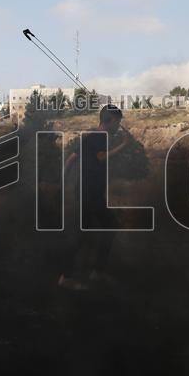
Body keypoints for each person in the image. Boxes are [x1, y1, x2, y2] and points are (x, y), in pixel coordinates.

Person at [59, 103, 129, 290]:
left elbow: (71, 159)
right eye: (118, 122)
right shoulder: (100, 137)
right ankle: (74, 276)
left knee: (87, 231)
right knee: (105, 227)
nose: (117, 126)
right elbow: (101, 157)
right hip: (90, 194)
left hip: (88, 192)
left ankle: (90, 273)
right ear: (111, 120)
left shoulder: (89, 138)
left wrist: (63, 181)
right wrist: (124, 145)